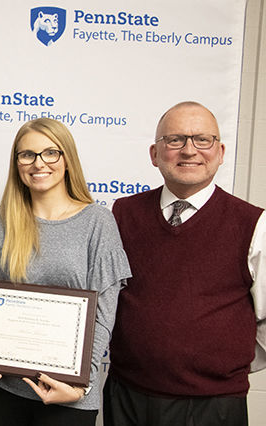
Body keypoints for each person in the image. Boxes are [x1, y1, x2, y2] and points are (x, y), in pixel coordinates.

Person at [104, 101, 266, 426]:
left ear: (220, 152)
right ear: (154, 153)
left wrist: (225, 363)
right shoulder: (122, 214)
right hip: (127, 397)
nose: (189, 150)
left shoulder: (253, 223)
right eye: (175, 139)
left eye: (202, 140)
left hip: (214, 406)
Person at [0, 118, 131, 425]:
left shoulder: (98, 222)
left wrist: (80, 385)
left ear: (67, 159)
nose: (38, 163)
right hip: (5, 389)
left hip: (69, 396)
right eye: (27, 154)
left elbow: (103, 316)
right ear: (17, 162)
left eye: (50, 153)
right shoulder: (0, 220)